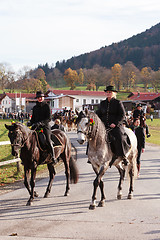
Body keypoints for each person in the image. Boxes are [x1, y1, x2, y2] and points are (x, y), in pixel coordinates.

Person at [96, 85, 131, 167]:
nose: (108, 93)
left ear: (114, 93)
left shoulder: (118, 103)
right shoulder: (102, 103)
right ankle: (91, 156)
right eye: (107, 92)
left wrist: (115, 123)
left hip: (115, 125)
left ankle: (123, 156)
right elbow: (98, 114)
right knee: (94, 136)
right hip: (104, 126)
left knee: (120, 137)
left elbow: (122, 115)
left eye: (110, 92)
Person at [29, 91, 56, 164]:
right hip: (36, 127)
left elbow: (49, 118)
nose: (40, 98)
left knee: (47, 140)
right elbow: (33, 118)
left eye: (41, 97)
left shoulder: (47, 106)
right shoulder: (35, 107)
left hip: (45, 126)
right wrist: (30, 122)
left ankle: (53, 156)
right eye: (38, 97)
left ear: (43, 98)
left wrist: (41, 123)